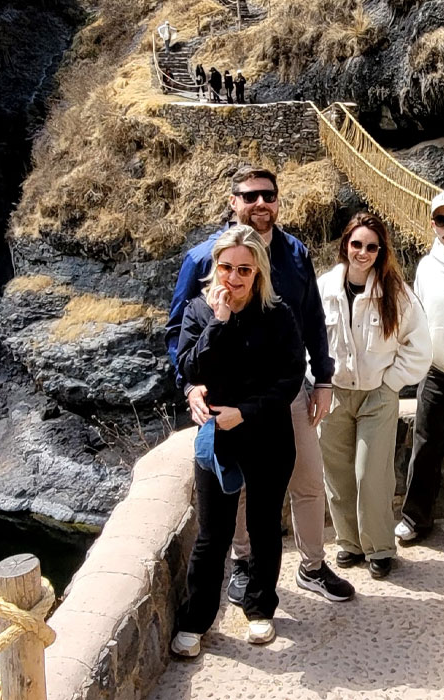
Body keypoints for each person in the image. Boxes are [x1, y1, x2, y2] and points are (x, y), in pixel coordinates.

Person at [165, 166, 355, 610]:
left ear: (278, 200)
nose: (260, 204)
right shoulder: (204, 258)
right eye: (249, 196)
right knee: (239, 488)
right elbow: (179, 332)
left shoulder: (294, 252)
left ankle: (312, 565)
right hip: (229, 398)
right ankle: (244, 563)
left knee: (308, 478)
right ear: (233, 202)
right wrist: (189, 386)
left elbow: (311, 320)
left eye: (268, 195)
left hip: (284, 389)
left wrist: (323, 378)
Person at [171, 225, 307, 656]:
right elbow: (192, 370)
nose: (233, 277)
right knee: (213, 533)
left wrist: (244, 412)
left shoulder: (278, 314)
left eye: (244, 270)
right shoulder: (199, 311)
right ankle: (196, 620)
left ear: (258, 271)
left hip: (267, 434)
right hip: (218, 438)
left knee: (264, 527)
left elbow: (290, 379)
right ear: (216, 267)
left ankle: (260, 608)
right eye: (226, 267)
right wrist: (219, 321)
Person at [318, 212, 431, 580]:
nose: (363, 253)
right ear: (345, 245)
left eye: (371, 247)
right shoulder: (323, 289)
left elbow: (419, 346)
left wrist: (391, 382)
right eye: (357, 244)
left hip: (377, 395)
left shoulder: (395, 293)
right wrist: (318, 380)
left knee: (372, 475)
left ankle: (379, 547)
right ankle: (349, 542)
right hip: (334, 394)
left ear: (381, 251)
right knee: (337, 474)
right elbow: (306, 340)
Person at [395, 190, 444, 545]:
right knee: (426, 444)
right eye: (441, 220)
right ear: (433, 225)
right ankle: (415, 517)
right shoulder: (427, 266)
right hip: (438, 371)